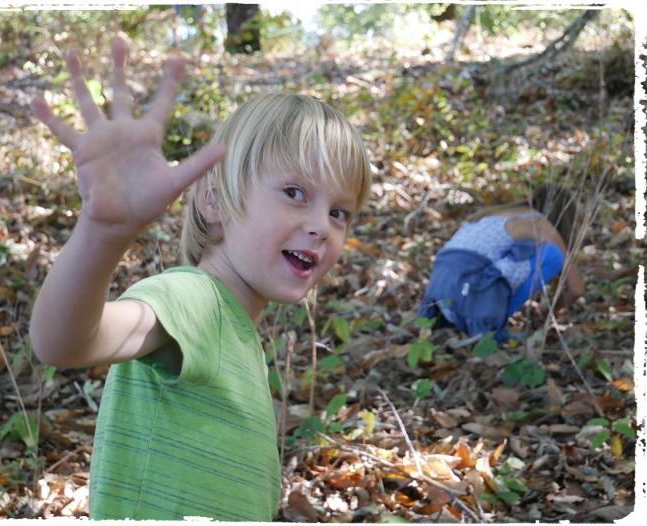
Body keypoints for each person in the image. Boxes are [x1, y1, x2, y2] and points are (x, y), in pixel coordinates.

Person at [29, 37, 372, 521]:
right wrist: (102, 234)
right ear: (214, 200)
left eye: (340, 212)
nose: (321, 225)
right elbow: (64, 342)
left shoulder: (237, 330)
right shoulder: (194, 299)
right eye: (295, 192)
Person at [418, 183, 586, 343]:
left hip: (437, 299)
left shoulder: (490, 215)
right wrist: (551, 311)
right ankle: (492, 322)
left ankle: (482, 313)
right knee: (553, 255)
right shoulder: (540, 224)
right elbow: (576, 289)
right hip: (468, 299)